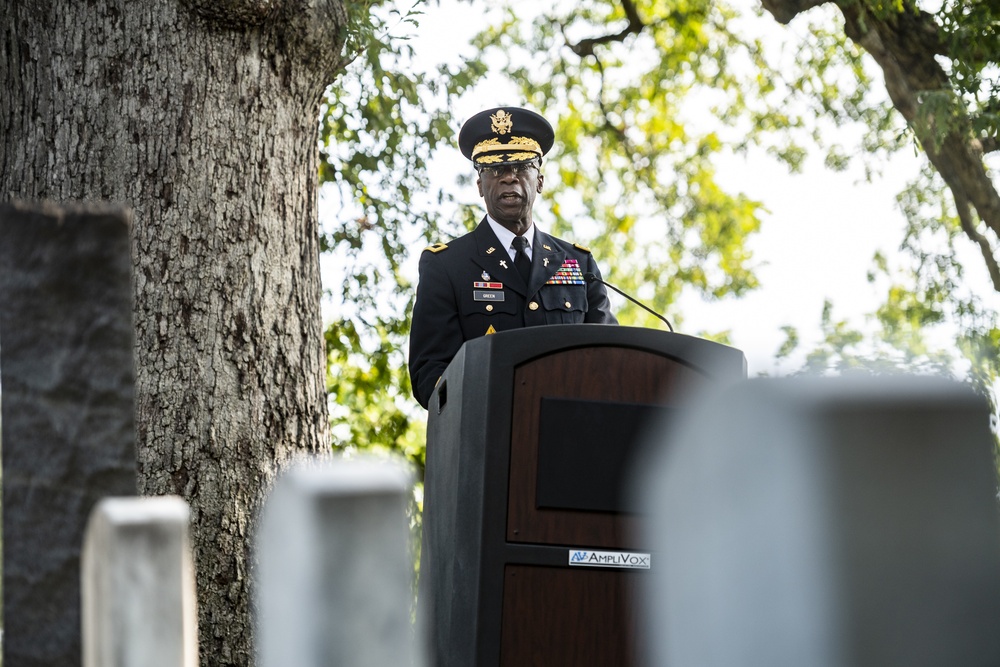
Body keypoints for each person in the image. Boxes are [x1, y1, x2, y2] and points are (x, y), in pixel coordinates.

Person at [408, 106, 618, 409]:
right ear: (480, 186)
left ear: (540, 181)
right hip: (486, 437)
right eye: (495, 169)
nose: (509, 178)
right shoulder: (446, 266)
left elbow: (609, 356)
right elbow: (430, 373)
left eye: (522, 167)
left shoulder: (578, 264)